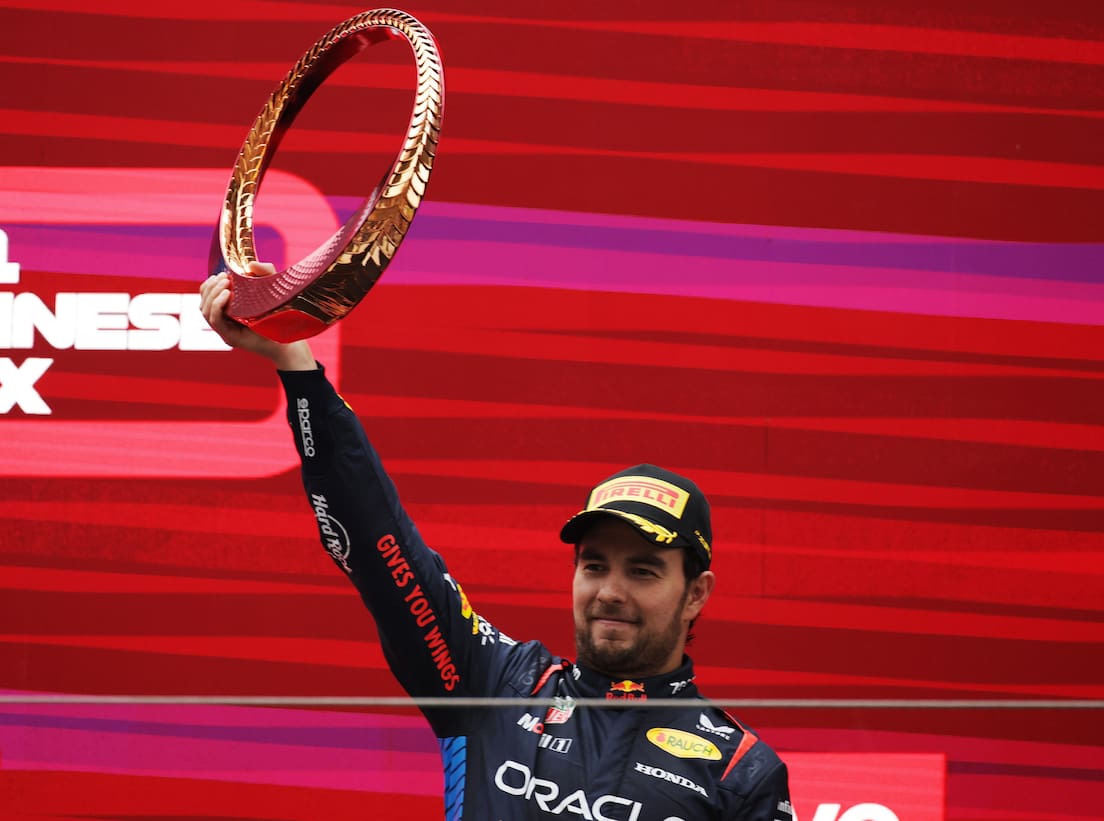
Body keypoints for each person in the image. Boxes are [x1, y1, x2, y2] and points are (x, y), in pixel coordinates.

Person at [200, 270, 794, 821]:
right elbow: (381, 543)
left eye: (642, 571)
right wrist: (296, 365)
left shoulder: (740, 773)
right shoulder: (494, 683)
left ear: (696, 593)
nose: (610, 592)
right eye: (594, 565)